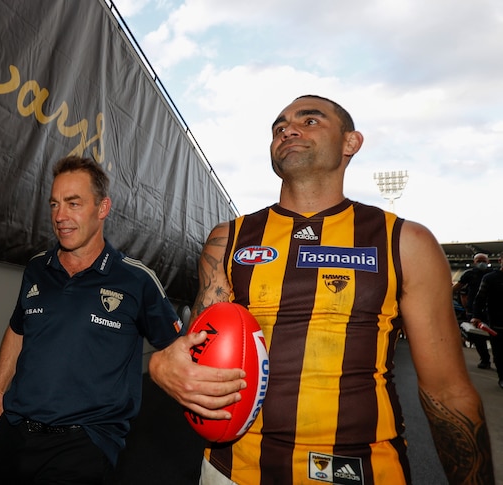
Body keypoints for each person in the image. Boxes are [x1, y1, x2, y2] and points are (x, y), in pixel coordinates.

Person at [148, 95, 494, 484]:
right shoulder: (228, 239)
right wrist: (162, 365)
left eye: (310, 120)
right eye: (278, 127)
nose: (288, 129)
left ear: (351, 142)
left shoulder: (404, 241)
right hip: (232, 469)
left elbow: (447, 391)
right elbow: (199, 350)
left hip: (361, 471)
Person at [0, 155, 183, 484]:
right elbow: (18, 329)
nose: (60, 216)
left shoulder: (136, 280)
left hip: (85, 444)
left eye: (73, 203)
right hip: (17, 434)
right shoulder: (37, 268)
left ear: (102, 208)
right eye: (54, 204)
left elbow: (177, 350)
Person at [454, 253, 494, 368]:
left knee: (495, 335)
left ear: (488, 261)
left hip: (491, 309)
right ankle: (485, 359)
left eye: (484, 260)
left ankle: (496, 359)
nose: (481, 263)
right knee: (477, 336)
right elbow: (458, 287)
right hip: (473, 310)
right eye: (479, 260)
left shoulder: (493, 274)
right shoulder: (469, 274)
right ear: (474, 262)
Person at [472, 256, 503, 389]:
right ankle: (502, 377)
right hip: (497, 323)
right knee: (499, 352)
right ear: (501, 260)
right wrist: (476, 316)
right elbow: (479, 299)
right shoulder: (490, 278)